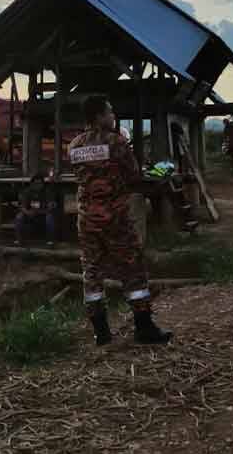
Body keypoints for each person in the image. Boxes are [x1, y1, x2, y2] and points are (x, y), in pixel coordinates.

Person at [68, 95, 172, 346]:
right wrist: (156, 175)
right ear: (98, 116)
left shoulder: (73, 145)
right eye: (110, 112)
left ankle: (101, 333)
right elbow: (133, 176)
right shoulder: (116, 142)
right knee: (132, 269)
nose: (113, 116)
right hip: (114, 218)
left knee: (92, 273)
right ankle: (144, 328)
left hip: (86, 219)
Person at [14, 173, 56, 246]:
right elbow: (22, 206)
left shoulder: (47, 192)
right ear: (32, 184)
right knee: (19, 217)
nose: (38, 185)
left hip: (43, 214)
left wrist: (40, 212)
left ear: (43, 184)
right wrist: (27, 212)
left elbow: (50, 207)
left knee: (50, 218)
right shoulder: (27, 192)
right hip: (29, 214)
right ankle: (19, 240)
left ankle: (50, 240)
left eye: (40, 183)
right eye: (35, 183)